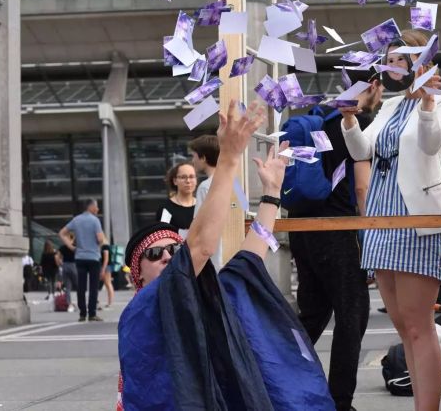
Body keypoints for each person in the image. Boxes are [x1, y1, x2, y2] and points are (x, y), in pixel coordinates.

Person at [118, 100, 334, 410]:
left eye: (172, 249)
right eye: (155, 253)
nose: (167, 256)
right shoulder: (144, 307)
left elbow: (250, 258)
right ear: (137, 273)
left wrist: (272, 194)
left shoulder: (205, 296)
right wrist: (229, 158)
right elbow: (200, 247)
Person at [340, 29, 441, 411]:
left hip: (417, 219)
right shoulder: (388, 107)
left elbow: (430, 146)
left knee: (420, 326)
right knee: (403, 327)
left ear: (420, 62)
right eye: (389, 60)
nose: (392, 66)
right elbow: (361, 151)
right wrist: (350, 118)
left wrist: (425, 104)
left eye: (400, 60)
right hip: (381, 217)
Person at [288, 69, 382, 411]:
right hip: (337, 232)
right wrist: (368, 239)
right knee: (352, 314)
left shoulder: (320, 119)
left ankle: (274, 375)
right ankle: (340, 402)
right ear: (373, 85)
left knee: (312, 315)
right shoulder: (353, 122)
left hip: (303, 230)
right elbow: (362, 187)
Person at [59, 199, 106, 322]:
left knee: (81, 286)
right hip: (94, 257)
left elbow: (62, 233)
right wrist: (100, 242)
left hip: (80, 257)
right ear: (91, 207)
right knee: (93, 287)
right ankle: (92, 314)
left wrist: (70, 246)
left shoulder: (76, 220)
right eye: (96, 207)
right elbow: (100, 239)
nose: (98, 209)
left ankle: (82, 313)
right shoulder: (95, 221)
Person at [190, 135, 223, 269]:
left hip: (214, 256)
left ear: (203, 158)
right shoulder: (236, 183)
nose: (193, 160)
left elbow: (199, 224)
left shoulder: (205, 186)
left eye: (194, 156)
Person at [155, 161, 198, 236]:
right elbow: (162, 235)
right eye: (183, 177)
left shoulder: (202, 206)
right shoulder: (166, 208)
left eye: (191, 177)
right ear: (175, 181)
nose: (188, 181)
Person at [58, 237, 76, 313]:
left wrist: (61, 263)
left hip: (65, 266)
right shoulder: (75, 247)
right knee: (79, 285)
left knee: (67, 286)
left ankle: (69, 304)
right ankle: (82, 303)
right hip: (74, 265)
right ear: (72, 239)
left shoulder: (62, 247)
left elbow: (57, 257)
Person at [100, 243, 114, 311]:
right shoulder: (105, 246)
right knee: (107, 284)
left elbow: (106, 259)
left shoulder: (105, 247)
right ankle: (109, 302)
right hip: (106, 266)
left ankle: (110, 302)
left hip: (106, 267)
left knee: (108, 284)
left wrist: (103, 269)